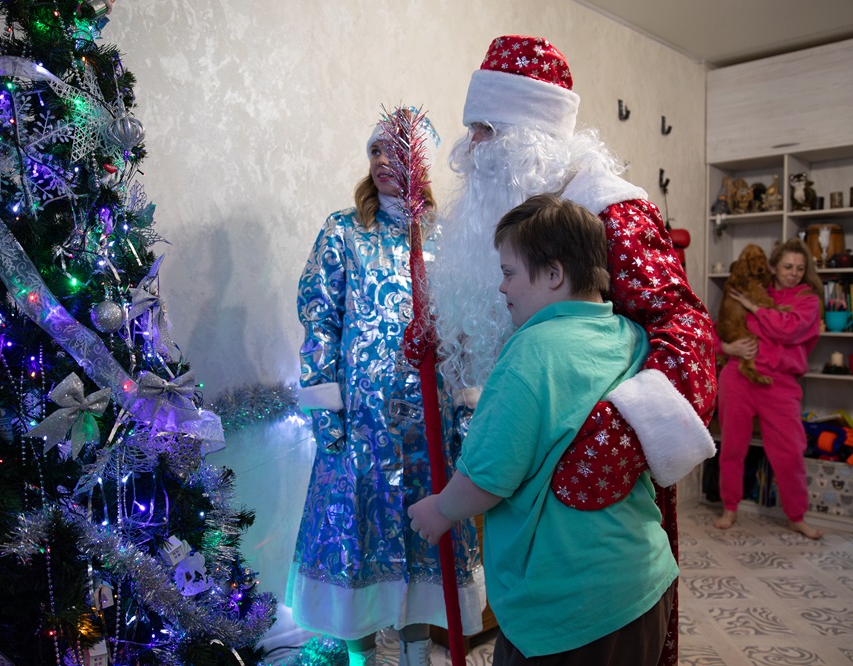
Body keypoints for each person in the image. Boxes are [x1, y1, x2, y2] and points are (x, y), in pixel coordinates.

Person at [429, 36, 717, 665]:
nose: (468, 147)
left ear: (529, 134)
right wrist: (444, 336)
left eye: (484, 128)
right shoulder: (517, 216)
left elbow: (686, 334)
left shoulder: (611, 209)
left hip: (601, 506)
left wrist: (605, 447)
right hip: (535, 517)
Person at [409, 194, 678, 665]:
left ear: (554, 274)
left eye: (509, 272)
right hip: (645, 581)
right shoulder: (629, 337)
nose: (501, 287)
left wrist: (440, 510)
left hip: (567, 610)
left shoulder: (531, 353)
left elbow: (489, 476)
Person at [286, 110, 485, 666]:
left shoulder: (447, 242)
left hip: (430, 429)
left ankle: (418, 656)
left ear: (418, 163)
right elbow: (319, 322)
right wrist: (327, 411)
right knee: (358, 544)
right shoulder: (343, 231)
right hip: (360, 429)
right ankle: (360, 658)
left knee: (426, 545)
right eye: (374, 151)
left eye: (393, 151)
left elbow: (466, 334)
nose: (380, 162)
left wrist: (467, 414)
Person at [714, 238, 824, 539]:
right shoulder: (749, 288)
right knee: (732, 447)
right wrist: (725, 345)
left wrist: (754, 310)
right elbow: (716, 326)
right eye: (788, 266)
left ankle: (796, 516)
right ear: (773, 266)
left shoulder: (808, 299)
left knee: (789, 452)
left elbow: (789, 329)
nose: (794, 273)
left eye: (801, 268)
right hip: (738, 376)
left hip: (780, 383)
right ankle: (730, 507)